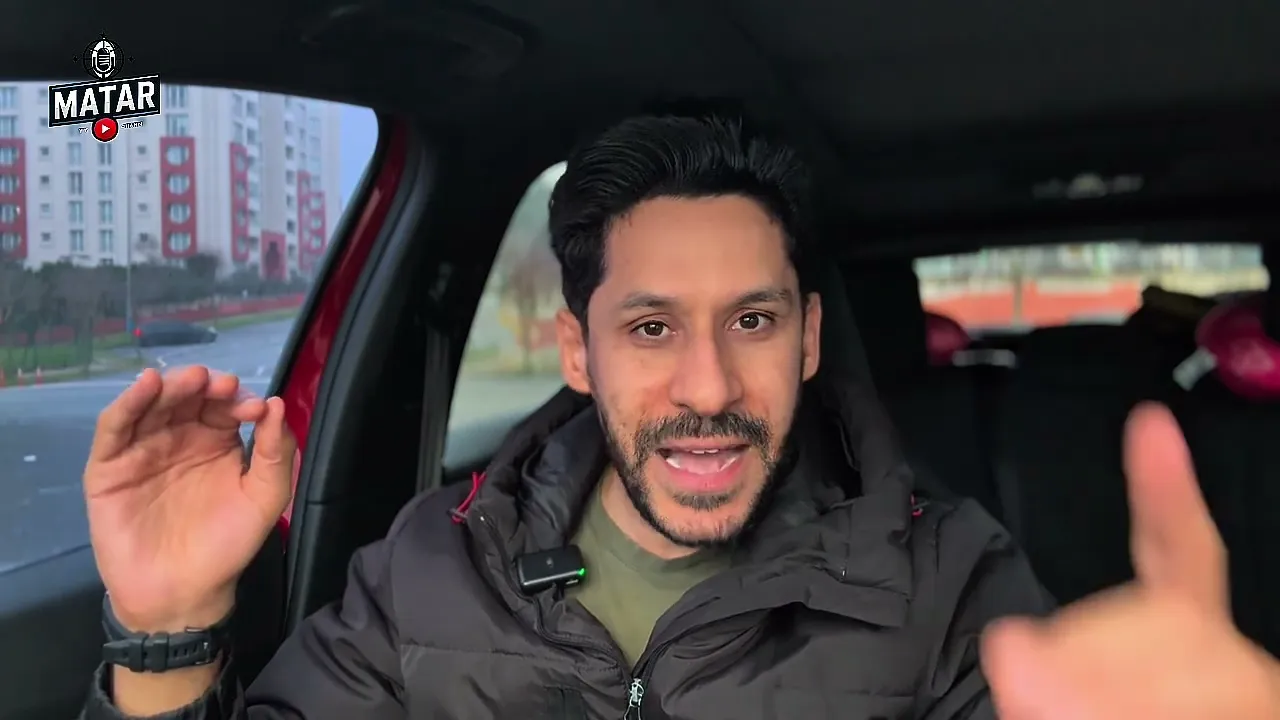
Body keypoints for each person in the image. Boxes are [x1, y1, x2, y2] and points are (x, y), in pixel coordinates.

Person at [82, 112, 1280, 720]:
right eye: (651, 327)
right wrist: (167, 632)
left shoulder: (946, 582)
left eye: (750, 321)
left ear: (806, 337)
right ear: (577, 349)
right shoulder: (426, 566)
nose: (707, 389)